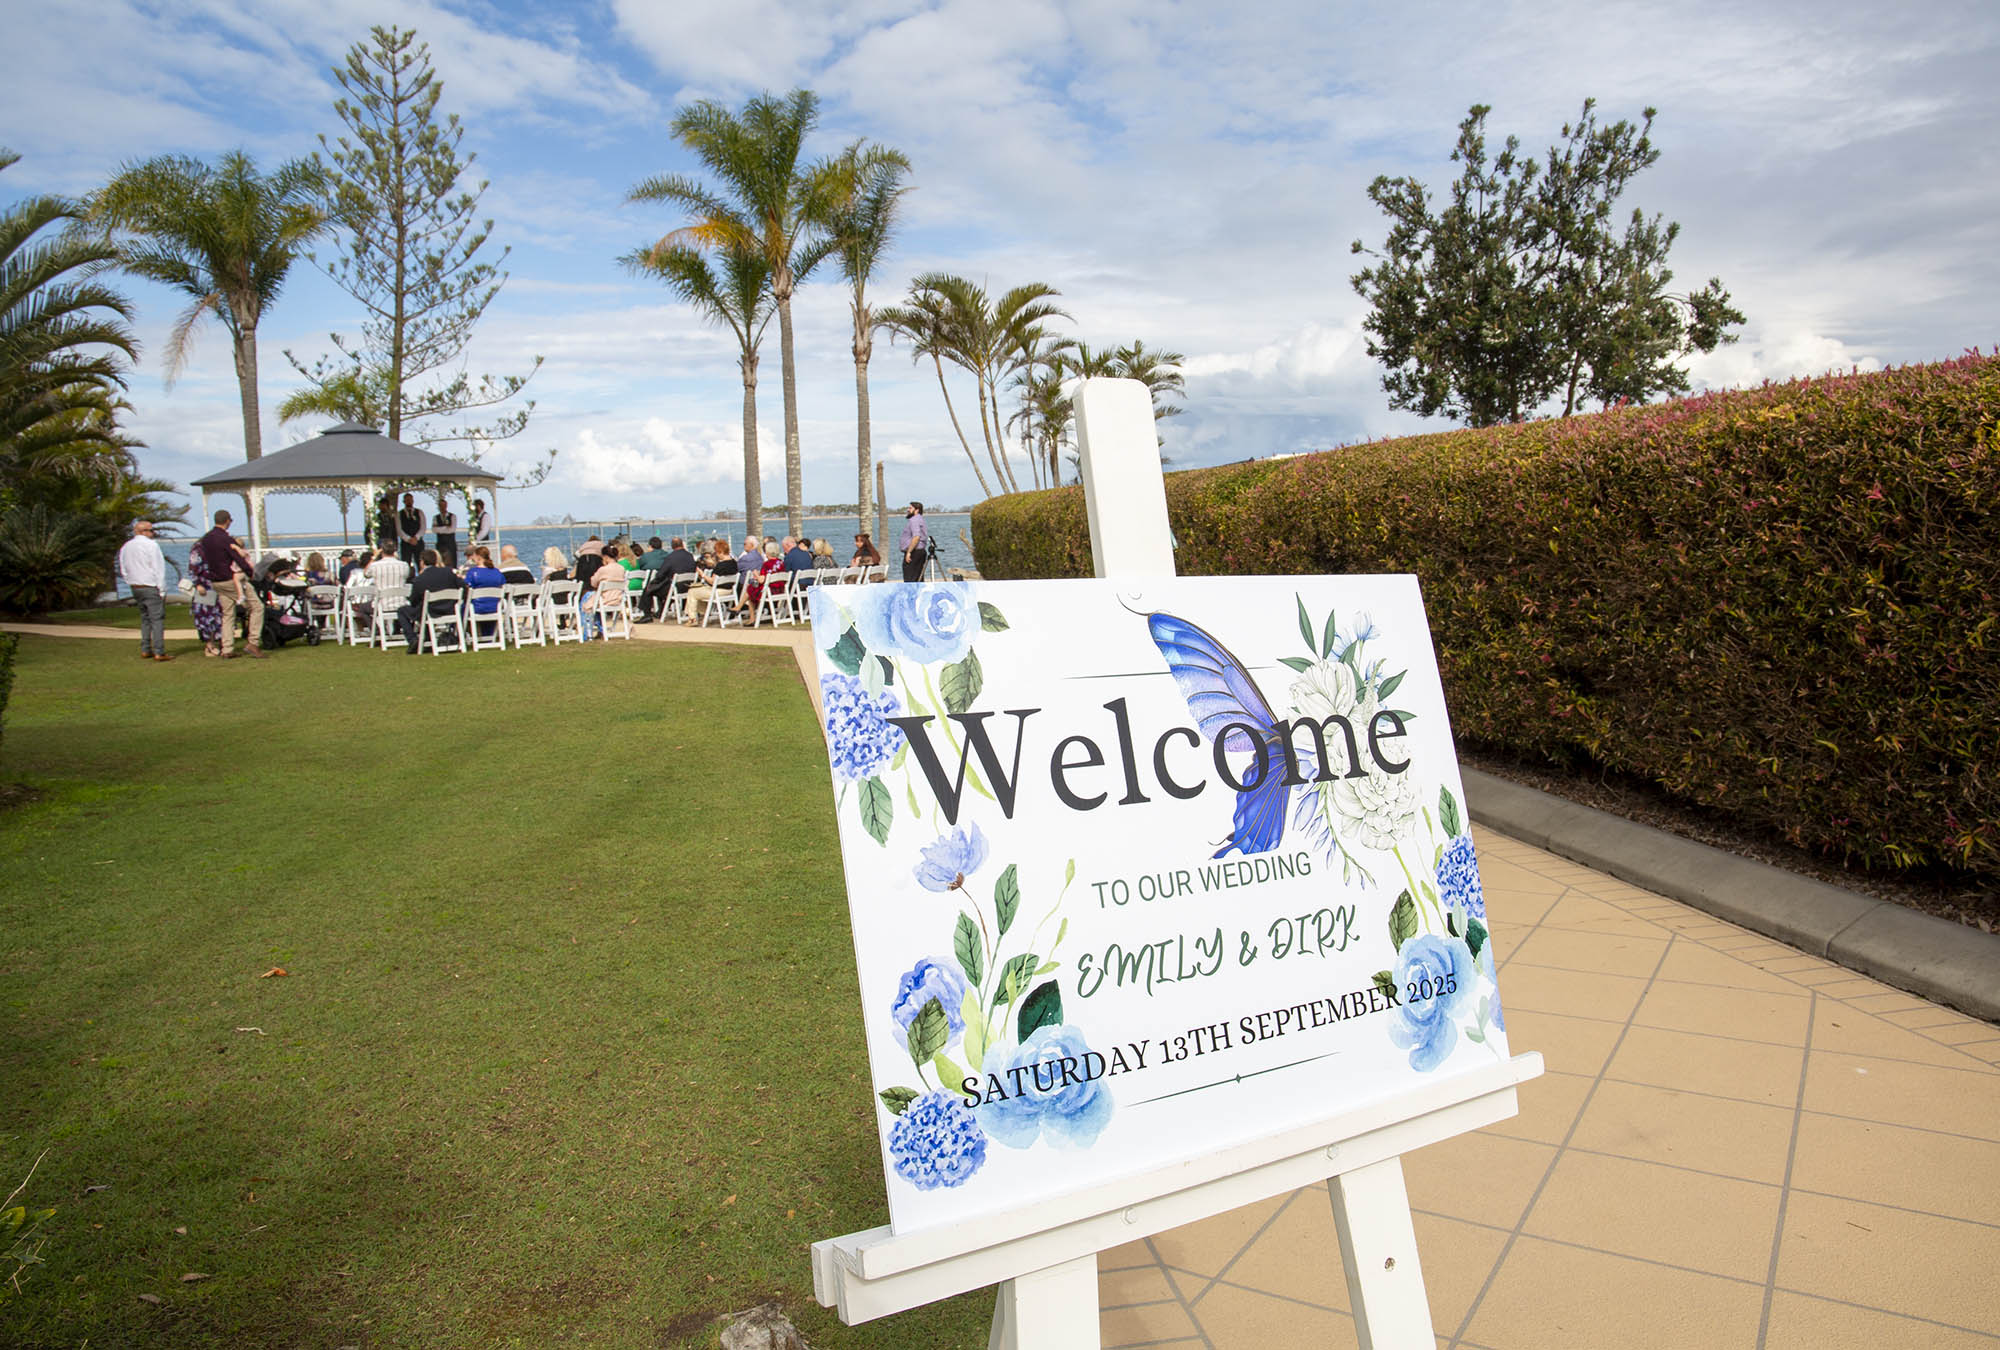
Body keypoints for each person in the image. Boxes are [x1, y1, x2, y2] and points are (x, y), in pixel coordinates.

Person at [195, 510, 264, 658]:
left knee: (227, 614)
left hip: (216, 581)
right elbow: (237, 557)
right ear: (227, 521)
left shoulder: (206, 539)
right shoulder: (225, 539)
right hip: (230, 579)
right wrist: (249, 572)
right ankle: (253, 642)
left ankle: (227, 648)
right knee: (257, 607)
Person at [116, 519, 171, 662]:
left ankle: (146, 649)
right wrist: (162, 589)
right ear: (143, 531)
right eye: (151, 530)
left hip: (136, 587)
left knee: (145, 618)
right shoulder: (151, 545)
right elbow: (159, 568)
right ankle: (159, 651)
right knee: (157, 619)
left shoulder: (126, 546)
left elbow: (123, 568)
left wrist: (130, 581)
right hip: (150, 586)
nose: (153, 533)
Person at [399, 549, 467, 654]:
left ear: (421, 562)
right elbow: (463, 588)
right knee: (422, 607)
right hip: (450, 609)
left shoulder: (420, 579)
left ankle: (413, 640)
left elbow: (413, 601)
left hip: (430, 612)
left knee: (403, 611)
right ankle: (426, 638)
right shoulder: (448, 572)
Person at [185, 529, 226, 656]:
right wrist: (197, 584)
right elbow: (193, 567)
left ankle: (222, 643)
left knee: (220, 615)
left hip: (218, 585)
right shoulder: (198, 549)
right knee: (206, 617)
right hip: (205, 586)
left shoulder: (217, 548)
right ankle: (209, 645)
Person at [637, 536, 698, 621]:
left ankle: (647, 614)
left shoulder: (671, 557)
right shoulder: (690, 556)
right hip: (688, 587)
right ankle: (660, 612)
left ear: (672, 546)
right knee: (659, 587)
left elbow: (660, 574)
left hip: (674, 588)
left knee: (649, 588)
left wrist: (655, 581)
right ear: (682, 545)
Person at [463, 546, 506, 641]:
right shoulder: (497, 572)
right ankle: (488, 637)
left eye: (474, 556)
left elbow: (467, 588)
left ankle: (460, 635)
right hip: (495, 607)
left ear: (478, 557)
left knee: (461, 607)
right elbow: (502, 586)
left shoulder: (473, 572)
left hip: (478, 607)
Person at [740, 539, 785, 616]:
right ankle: (739, 607)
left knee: (750, 590)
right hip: (780, 590)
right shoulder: (781, 562)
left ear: (767, 552)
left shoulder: (766, 564)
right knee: (751, 589)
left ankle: (750, 617)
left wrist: (756, 574)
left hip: (769, 592)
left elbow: (761, 580)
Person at [898, 501, 929, 583]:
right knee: (918, 578)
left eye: (910, 508)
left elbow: (916, 537)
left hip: (914, 552)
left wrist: (909, 552)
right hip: (919, 551)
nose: (908, 510)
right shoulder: (920, 519)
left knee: (910, 579)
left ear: (917, 510)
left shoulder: (914, 520)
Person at [396, 492, 427, 569]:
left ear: (413, 501)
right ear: (404, 501)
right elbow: (398, 529)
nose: (409, 501)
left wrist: (416, 537)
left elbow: (423, 527)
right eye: (407, 500)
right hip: (406, 543)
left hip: (418, 542)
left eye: (410, 500)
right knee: (406, 564)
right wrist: (408, 539)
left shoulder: (419, 512)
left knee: (421, 562)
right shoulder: (399, 514)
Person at [432, 495, 459, 569]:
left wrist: (440, 529)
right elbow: (434, 530)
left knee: (452, 563)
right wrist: (445, 528)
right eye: (440, 506)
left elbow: (452, 529)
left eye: (444, 505)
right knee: (440, 562)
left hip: (450, 544)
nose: (442, 507)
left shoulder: (453, 516)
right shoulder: (436, 517)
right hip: (440, 544)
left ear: (446, 506)